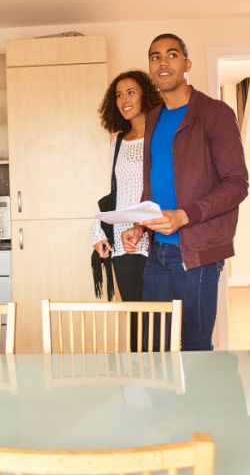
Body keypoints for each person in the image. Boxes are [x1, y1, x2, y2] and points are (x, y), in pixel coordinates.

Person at [122, 33, 248, 351]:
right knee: (155, 347)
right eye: (155, 56)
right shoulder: (152, 119)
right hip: (157, 253)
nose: (163, 62)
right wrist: (139, 224)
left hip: (198, 256)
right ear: (151, 68)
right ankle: (166, 403)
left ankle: (198, 403)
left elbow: (237, 184)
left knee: (195, 350)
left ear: (187, 63)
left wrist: (184, 215)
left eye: (172, 55)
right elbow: (153, 185)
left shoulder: (215, 114)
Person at [90, 70, 162, 320]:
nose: (124, 100)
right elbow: (115, 193)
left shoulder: (161, 137)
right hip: (123, 244)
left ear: (146, 95)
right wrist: (97, 230)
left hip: (157, 237)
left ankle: (164, 362)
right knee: (136, 319)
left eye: (131, 92)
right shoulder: (117, 142)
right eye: (119, 95)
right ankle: (138, 362)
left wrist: (143, 224)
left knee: (161, 322)